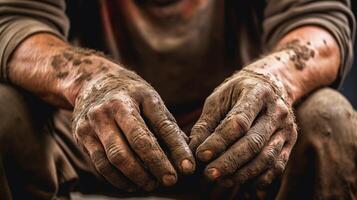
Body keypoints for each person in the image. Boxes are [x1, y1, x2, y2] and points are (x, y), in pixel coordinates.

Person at [0, 0, 356, 199]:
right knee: (4, 111)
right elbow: (14, 22)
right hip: (89, 146)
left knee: (328, 118)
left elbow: (320, 22)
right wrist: (91, 80)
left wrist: (271, 79)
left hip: (240, 149)